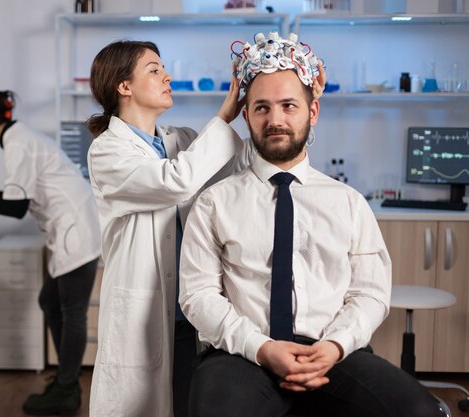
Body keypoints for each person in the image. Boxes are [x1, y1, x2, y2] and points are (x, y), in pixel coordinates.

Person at [178, 33, 445, 417]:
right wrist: (263, 348)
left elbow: (369, 293)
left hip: (330, 352)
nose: (276, 120)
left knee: (418, 411)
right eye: (262, 108)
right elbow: (198, 296)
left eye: (289, 105)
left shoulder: (348, 202)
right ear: (247, 115)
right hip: (241, 352)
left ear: (312, 111)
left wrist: (335, 346)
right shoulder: (214, 202)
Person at [86, 40, 327, 417]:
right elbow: (176, 182)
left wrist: (277, 102)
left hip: (192, 311)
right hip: (145, 312)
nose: (167, 76)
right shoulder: (107, 152)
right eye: (154, 70)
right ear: (123, 86)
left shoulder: (179, 139)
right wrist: (226, 114)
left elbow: (245, 163)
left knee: (187, 402)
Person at [0, 90, 101, 417]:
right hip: (70, 229)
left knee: (72, 312)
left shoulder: (17, 143)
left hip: (77, 231)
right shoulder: (17, 138)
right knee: (50, 302)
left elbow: (15, 206)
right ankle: (65, 382)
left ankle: (66, 389)